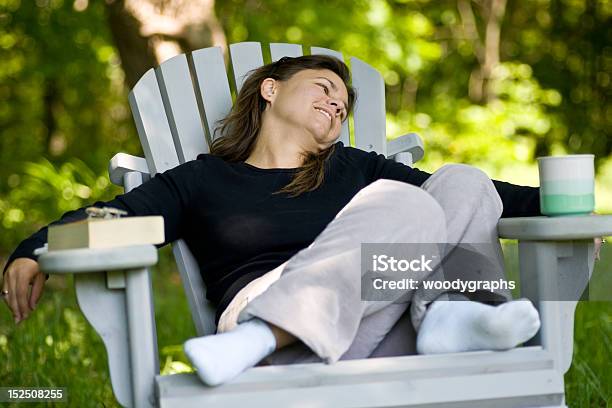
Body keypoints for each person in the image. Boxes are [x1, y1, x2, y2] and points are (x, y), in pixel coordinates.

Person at [1, 55, 601, 387]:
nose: (338, 103)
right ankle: (267, 334)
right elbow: (111, 216)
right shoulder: (200, 178)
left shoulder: (356, 168)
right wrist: (32, 249)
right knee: (404, 201)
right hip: (264, 310)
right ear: (270, 89)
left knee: (461, 181)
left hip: (377, 329)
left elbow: (483, 197)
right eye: (324, 87)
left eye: (344, 103)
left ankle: (449, 315)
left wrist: (577, 210)